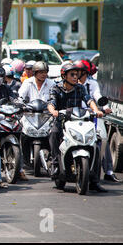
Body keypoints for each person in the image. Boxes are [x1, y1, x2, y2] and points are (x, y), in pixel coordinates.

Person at [47, 63, 106, 192]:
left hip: (78, 120)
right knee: (53, 133)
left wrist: (96, 111)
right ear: (64, 76)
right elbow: (51, 103)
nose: (75, 77)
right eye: (72, 74)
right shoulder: (55, 88)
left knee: (96, 142)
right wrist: (53, 111)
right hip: (61, 121)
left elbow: (89, 100)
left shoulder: (80, 88)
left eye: (77, 74)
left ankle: (95, 180)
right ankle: (56, 165)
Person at [75, 60, 120, 183]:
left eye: (77, 71)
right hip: (75, 116)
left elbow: (97, 96)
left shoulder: (92, 84)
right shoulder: (71, 83)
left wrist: (104, 108)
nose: (74, 74)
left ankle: (109, 171)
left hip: (92, 114)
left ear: (84, 72)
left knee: (103, 138)